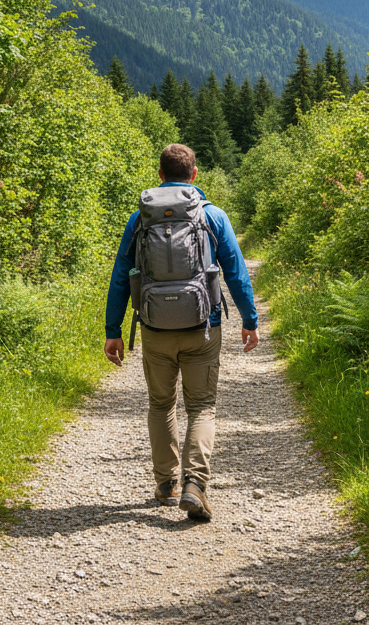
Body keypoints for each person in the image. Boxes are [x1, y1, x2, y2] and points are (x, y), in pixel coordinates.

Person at [104, 143, 259, 522]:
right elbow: (236, 273)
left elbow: (122, 276)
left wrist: (113, 330)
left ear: (160, 176)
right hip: (203, 327)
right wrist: (250, 320)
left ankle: (165, 483)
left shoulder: (138, 219)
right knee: (201, 406)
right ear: (193, 175)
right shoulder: (213, 216)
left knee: (161, 405)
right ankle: (195, 485)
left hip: (155, 327)